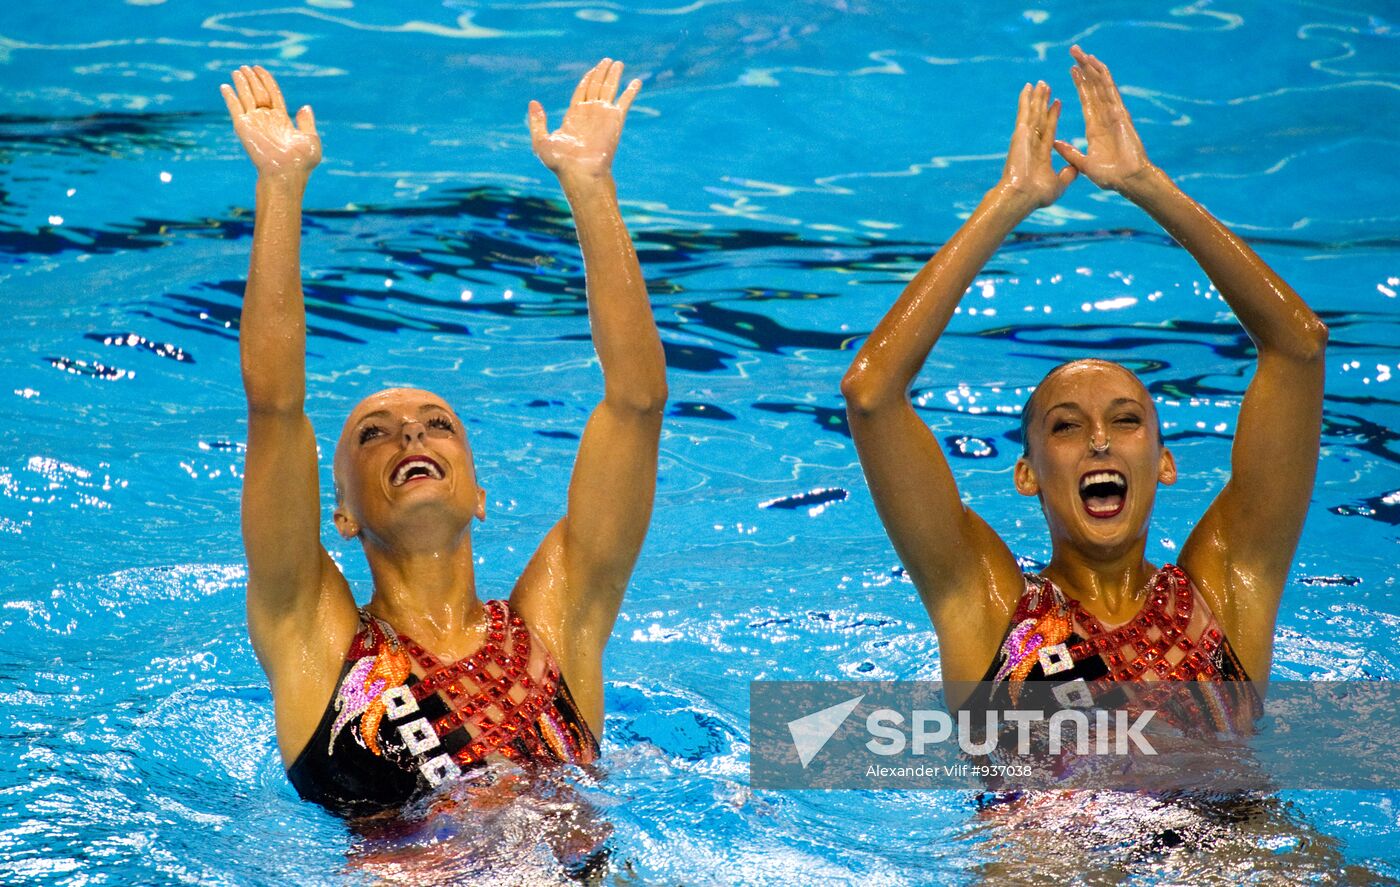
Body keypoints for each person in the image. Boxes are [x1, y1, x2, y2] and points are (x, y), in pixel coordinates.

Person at [221, 58, 666, 819]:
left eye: (436, 425)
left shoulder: (554, 626)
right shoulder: (314, 635)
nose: (409, 435)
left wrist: (591, 188)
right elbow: (274, 406)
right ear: (343, 515)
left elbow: (637, 402)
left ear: (480, 493)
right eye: (374, 434)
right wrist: (281, 186)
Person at [841, 46, 1327, 713]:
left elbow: (1297, 346)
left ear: (1163, 461)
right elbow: (871, 394)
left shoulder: (1226, 589)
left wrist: (1147, 184)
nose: (1099, 439)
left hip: (1234, 820)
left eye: (1126, 419)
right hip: (1046, 823)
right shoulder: (988, 605)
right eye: (1065, 426)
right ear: (1028, 472)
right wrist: (1007, 202)